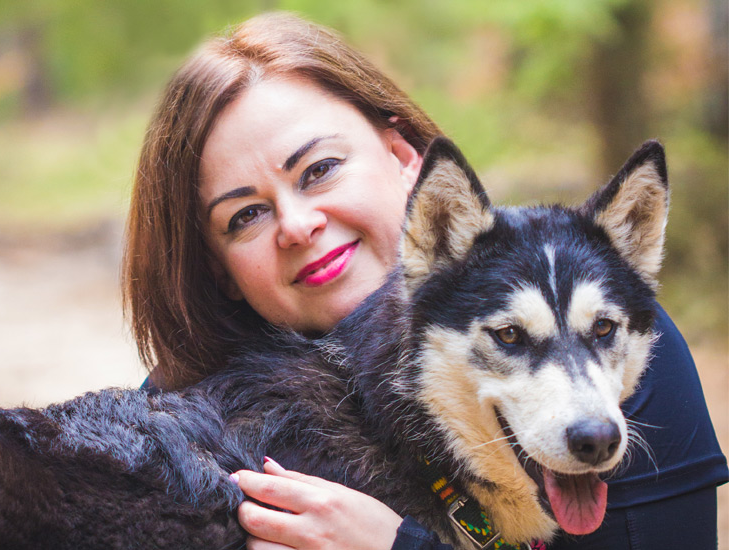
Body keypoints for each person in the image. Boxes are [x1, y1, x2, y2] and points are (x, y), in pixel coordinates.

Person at [123, 12, 728, 550]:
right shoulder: (182, 413)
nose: (298, 225)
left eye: (320, 169)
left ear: (404, 157)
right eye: (246, 215)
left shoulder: (611, 336)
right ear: (217, 269)